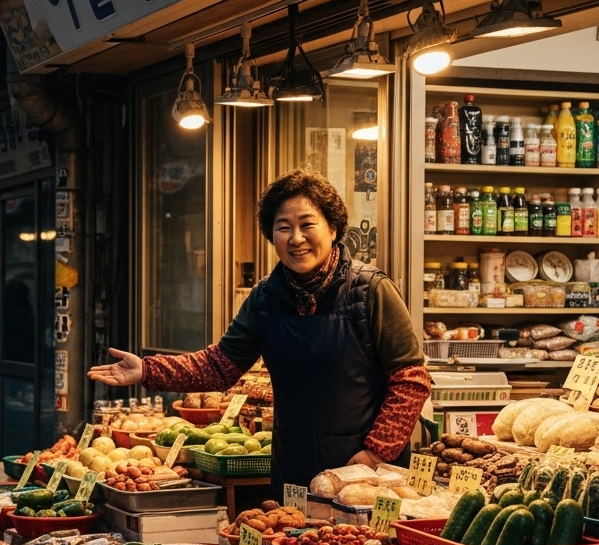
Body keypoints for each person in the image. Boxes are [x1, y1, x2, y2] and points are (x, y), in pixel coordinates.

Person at [88, 170, 432, 490]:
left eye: (307, 224)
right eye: (283, 227)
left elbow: (411, 379)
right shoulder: (266, 299)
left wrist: (376, 452)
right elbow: (219, 366)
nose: (296, 239)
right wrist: (148, 369)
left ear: (333, 229)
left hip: (364, 473)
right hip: (293, 468)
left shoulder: (371, 290)